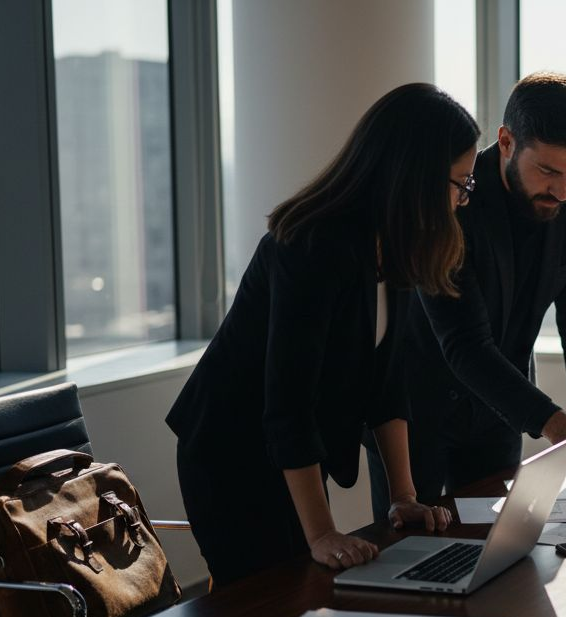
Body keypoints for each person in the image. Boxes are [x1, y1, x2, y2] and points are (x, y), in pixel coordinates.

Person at [167, 83, 478, 585]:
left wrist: (404, 497)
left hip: (288, 451)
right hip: (232, 452)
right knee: (268, 604)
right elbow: (287, 400)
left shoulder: (392, 245)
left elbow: (386, 384)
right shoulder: (313, 245)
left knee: (310, 593)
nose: (462, 201)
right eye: (460, 183)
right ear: (415, 176)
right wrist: (321, 533)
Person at [370, 72, 566, 517]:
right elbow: (465, 343)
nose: (562, 190)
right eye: (548, 171)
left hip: (502, 412)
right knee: (411, 554)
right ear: (507, 141)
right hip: (417, 410)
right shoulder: (453, 197)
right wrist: (560, 429)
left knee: (495, 549)